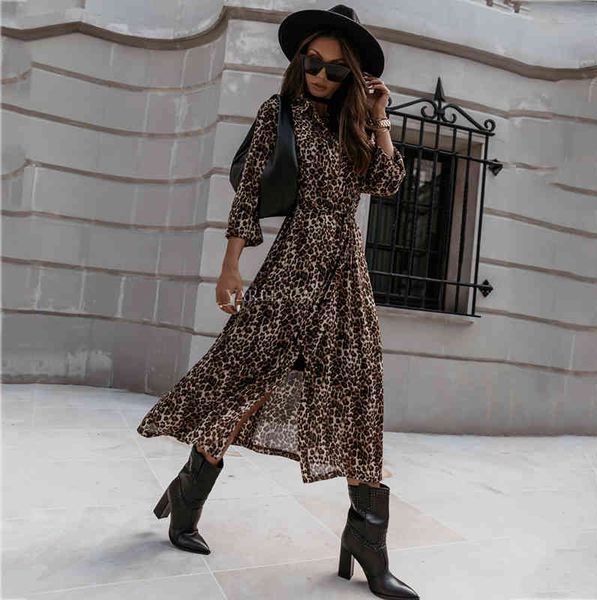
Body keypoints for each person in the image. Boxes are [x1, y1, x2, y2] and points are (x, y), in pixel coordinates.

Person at [137, 4, 418, 599]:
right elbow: (248, 192)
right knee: (247, 384)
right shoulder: (279, 112)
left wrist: (380, 118)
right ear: (299, 61)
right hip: (292, 266)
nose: (320, 75)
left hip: (345, 274)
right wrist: (230, 265)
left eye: (335, 69)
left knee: (361, 394)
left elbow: (388, 183)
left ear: (353, 76)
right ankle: (188, 498)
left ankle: (367, 539)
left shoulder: (357, 122)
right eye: (312, 62)